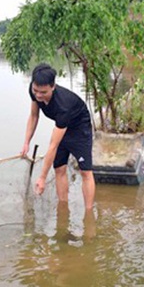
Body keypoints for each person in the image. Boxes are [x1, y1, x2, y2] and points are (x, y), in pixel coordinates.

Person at [21, 63, 95, 210]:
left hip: (79, 129)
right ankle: (63, 208)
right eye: (36, 91)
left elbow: (53, 145)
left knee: (85, 171)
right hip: (61, 127)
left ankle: (88, 213)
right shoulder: (34, 91)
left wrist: (42, 178)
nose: (38, 95)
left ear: (53, 86)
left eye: (43, 92)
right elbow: (34, 116)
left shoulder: (63, 106)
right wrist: (26, 142)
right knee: (59, 168)